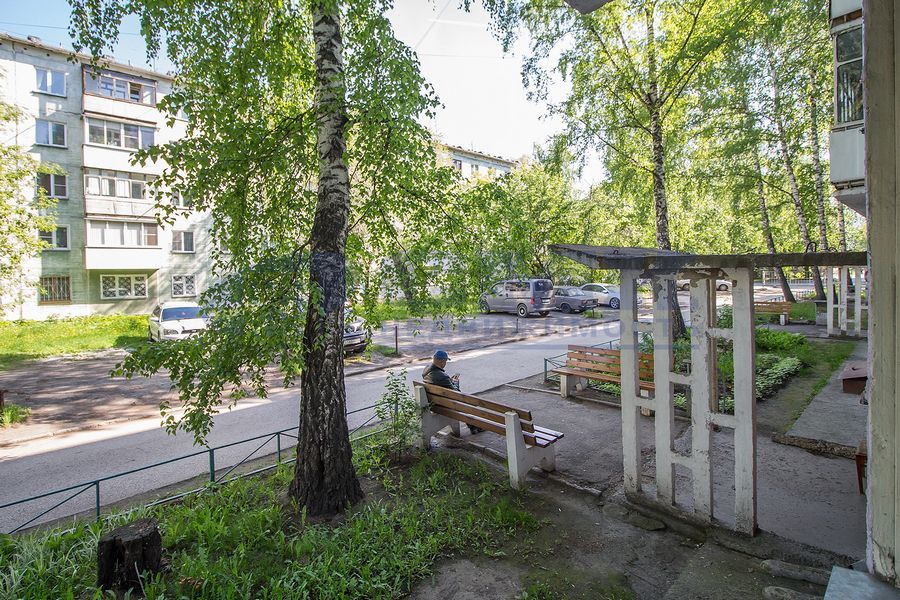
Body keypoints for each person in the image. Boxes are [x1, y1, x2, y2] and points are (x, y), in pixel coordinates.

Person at [422, 349, 483, 434]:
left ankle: (474, 427)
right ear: (441, 361)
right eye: (445, 361)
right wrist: (455, 382)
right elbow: (456, 393)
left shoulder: (426, 370)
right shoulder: (442, 376)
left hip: (435, 404)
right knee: (466, 403)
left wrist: (449, 381)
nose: (445, 363)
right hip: (445, 405)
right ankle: (475, 427)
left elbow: (438, 382)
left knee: (463, 403)